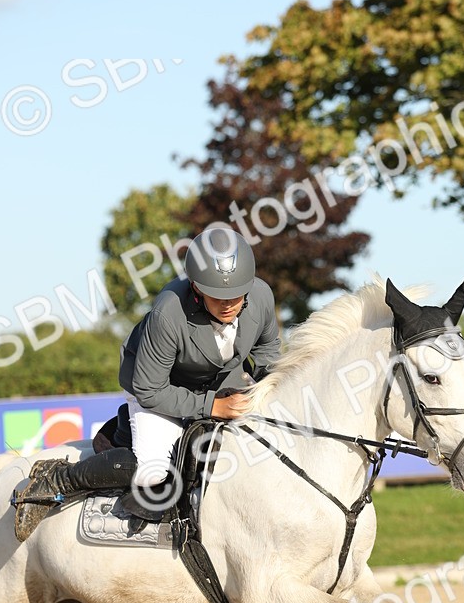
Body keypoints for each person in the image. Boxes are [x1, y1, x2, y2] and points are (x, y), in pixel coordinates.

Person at [14, 226, 281, 540]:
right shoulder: (167, 313)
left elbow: (267, 351)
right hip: (156, 386)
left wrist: (269, 389)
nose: (228, 304)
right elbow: (150, 389)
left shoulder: (261, 296)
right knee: (153, 470)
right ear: (196, 287)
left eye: (236, 294)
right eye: (217, 295)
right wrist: (213, 406)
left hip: (219, 380)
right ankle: (58, 478)